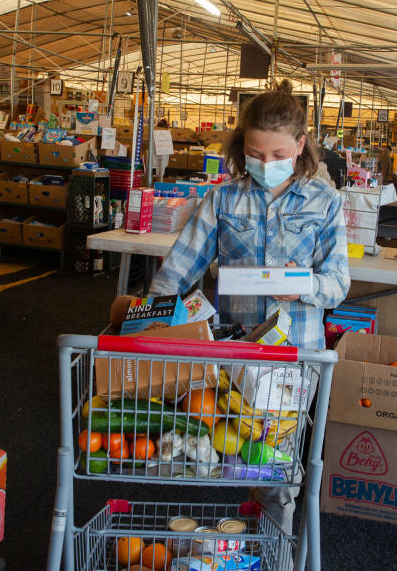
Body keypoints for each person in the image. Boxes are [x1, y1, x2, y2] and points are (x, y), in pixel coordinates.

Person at [113, 80, 351, 535]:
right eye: (257, 155)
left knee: (277, 472)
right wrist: (145, 319)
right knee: (223, 453)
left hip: (292, 361)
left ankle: (274, 548)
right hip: (233, 356)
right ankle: (233, 540)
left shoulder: (325, 203)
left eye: (279, 156)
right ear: (243, 148)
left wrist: (298, 285)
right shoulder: (223, 199)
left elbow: (338, 284)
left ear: (300, 146)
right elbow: (178, 270)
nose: (267, 165)